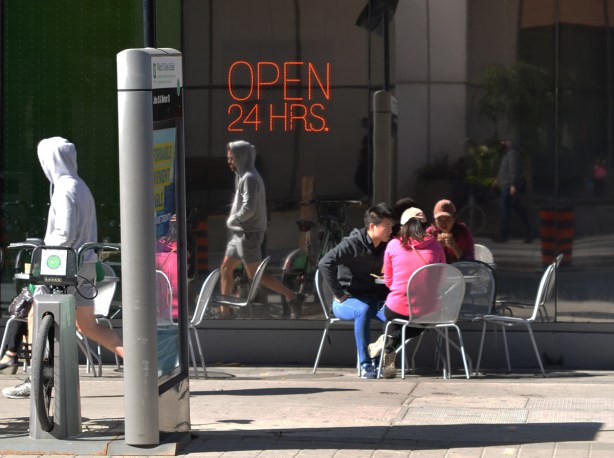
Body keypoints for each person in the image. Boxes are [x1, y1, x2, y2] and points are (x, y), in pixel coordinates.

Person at [3, 137, 124, 399]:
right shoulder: (80, 186)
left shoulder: (64, 188)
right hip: (86, 264)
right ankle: (144, 364)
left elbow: (65, 232)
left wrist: (46, 247)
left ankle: (37, 376)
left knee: (35, 312)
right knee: (89, 326)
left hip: (64, 265)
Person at [219, 141, 298, 317]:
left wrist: (233, 219)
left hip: (248, 234)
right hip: (240, 232)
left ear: (241, 158)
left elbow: (250, 208)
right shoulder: (242, 176)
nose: (229, 162)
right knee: (226, 268)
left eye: (232, 158)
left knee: (257, 276)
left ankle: (292, 296)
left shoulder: (250, 178)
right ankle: (225, 312)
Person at [368, 207, 446, 378]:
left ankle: (387, 344)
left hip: (398, 306)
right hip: (427, 310)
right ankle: (390, 343)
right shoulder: (435, 245)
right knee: (422, 319)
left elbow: (388, 280)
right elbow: (440, 278)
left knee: (394, 319)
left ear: (402, 226)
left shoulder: (393, 245)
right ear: (425, 225)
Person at [318, 203, 393, 379]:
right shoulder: (352, 244)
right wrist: (339, 294)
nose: (391, 230)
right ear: (372, 226)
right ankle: (366, 365)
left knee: (393, 317)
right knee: (363, 310)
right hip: (345, 301)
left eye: (392, 226)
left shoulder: (385, 245)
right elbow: (324, 263)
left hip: (372, 298)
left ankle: (378, 358)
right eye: (387, 226)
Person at [493, 138, 535, 243]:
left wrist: (512, 184)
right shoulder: (508, 153)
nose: (501, 143)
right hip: (507, 185)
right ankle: (531, 231)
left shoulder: (512, 153)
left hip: (508, 186)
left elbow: (513, 170)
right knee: (518, 210)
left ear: (509, 142)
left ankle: (504, 236)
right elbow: (505, 168)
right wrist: (498, 179)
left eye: (504, 141)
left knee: (505, 212)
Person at [427, 199, 475, 263]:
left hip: (458, 271)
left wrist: (455, 247)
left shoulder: (463, 232)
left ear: (454, 218)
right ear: (434, 219)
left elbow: (470, 262)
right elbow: (422, 258)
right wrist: (435, 247)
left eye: (448, 219)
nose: (443, 223)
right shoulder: (431, 232)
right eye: (439, 219)